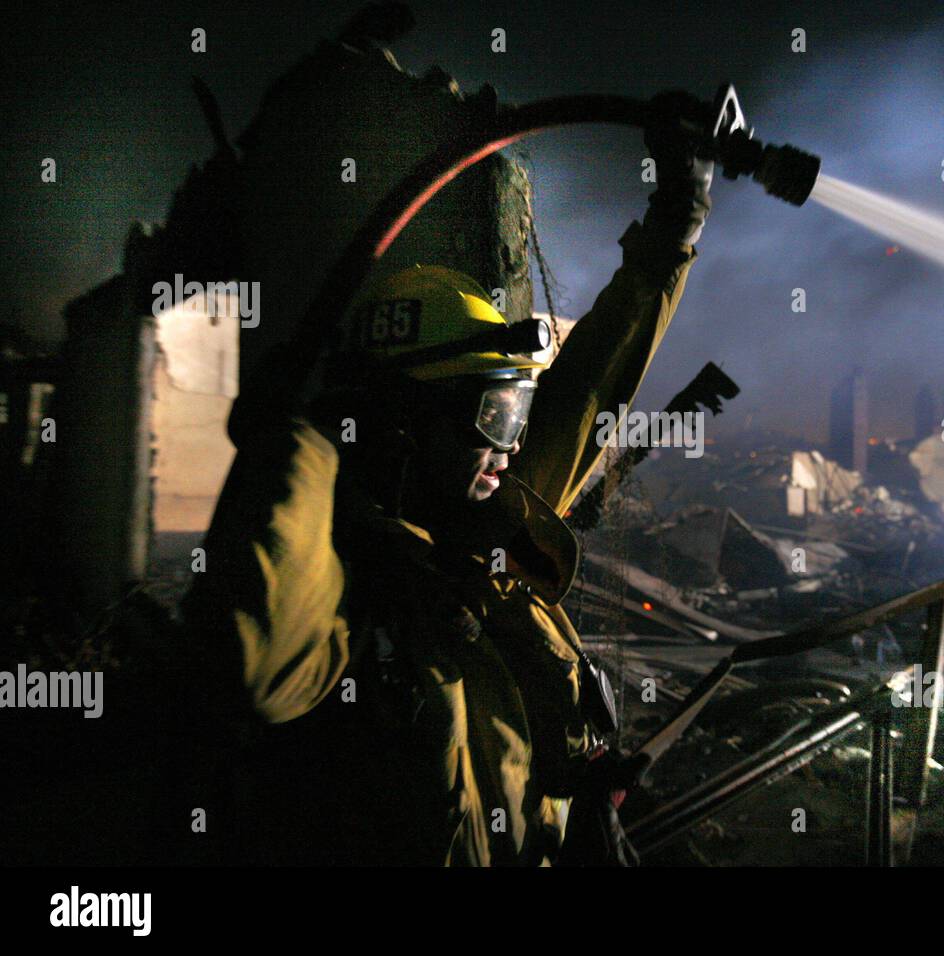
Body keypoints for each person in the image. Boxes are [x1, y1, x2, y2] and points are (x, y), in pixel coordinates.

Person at [182, 94, 714, 865]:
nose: (514, 442)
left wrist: (675, 229)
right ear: (404, 423)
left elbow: (587, 391)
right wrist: (295, 442)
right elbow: (258, 666)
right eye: (494, 411)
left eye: (517, 408)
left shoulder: (482, 529)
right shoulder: (342, 601)